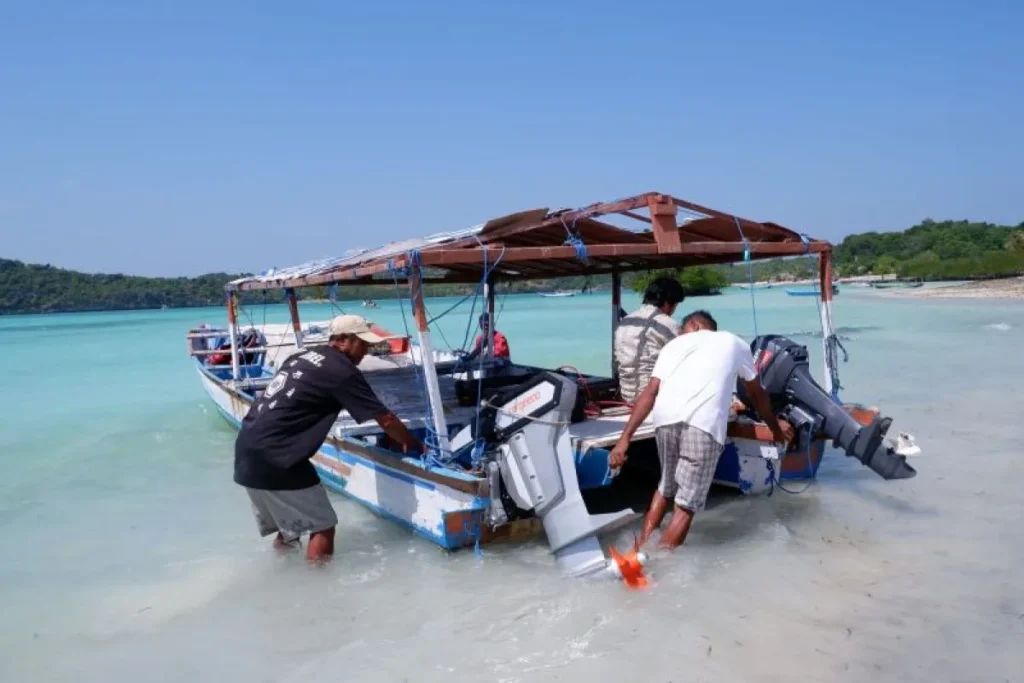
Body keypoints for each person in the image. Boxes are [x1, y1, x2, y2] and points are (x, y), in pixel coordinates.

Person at [233, 314, 424, 563]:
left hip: (247, 449)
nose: (365, 351)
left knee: (290, 528)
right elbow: (385, 420)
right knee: (323, 525)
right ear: (343, 340)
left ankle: (284, 581)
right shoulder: (342, 371)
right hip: (280, 456)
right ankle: (318, 591)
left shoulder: (300, 356)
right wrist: (413, 443)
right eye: (362, 344)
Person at [608, 310, 793, 550]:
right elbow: (757, 394)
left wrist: (625, 439)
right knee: (686, 504)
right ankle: (656, 566)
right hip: (702, 424)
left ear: (694, 326)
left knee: (665, 488)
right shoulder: (733, 341)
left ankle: (639, 550)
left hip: (664, 420)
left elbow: (650, 392)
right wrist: (775, 429)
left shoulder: (672, 347)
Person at [614, 276, 685, 403]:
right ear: (668, 303)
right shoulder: (667, 324)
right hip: (652, 398)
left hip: (627, 395)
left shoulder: (625, 322)